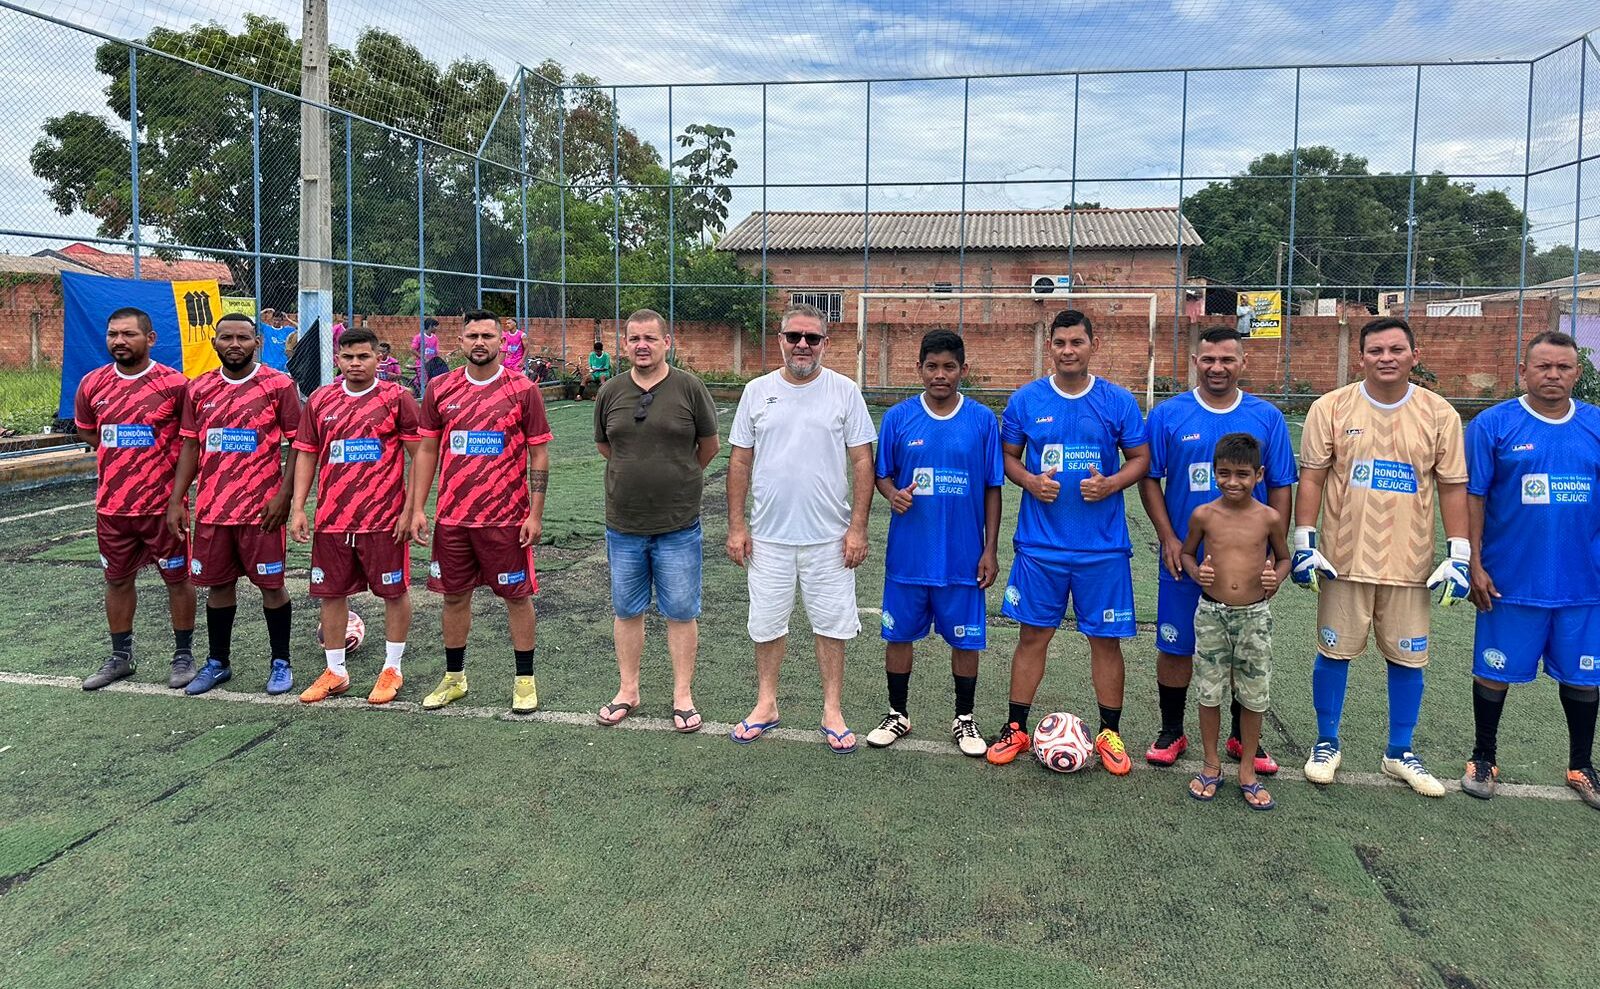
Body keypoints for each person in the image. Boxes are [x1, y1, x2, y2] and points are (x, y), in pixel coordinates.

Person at [1293, 316, 1469, 797]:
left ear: (1415, 355)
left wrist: (1460, 554)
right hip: (1342, 559)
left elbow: (1454, 487)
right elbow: (1311, 477)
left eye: (1395, 349)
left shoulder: (1440, 414)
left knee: (1408, 659)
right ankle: (1326, 742)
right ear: (1361, 357)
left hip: (1411, 565)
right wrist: (1304, 541)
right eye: (1376, 351)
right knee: (1334, 651)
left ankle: (1399, 751)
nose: (1385, 358)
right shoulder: (1330, 407)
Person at [986, 309, 1150, 774]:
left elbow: (1140, 458)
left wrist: (1112, 483)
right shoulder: (1025, 400)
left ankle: (1110, 734)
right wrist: (1031, 482)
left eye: (1076, 342)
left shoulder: (1116, 401)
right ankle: (1016, 728)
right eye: (1060, 343)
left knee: (1105, 641)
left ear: (1092, 345)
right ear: (1050, 347)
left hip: (1103, 548)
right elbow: (1007, 457)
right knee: (1032, 636)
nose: (1068, 351)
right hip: (1041, 546)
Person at [1138, 326, 1296, 773]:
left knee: (1241, 651)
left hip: (1245, 565)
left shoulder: (1267, 418)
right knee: (1176, 645)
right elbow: (1150, 478)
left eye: (1227, 359)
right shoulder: (1170, 415)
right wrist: (1169, 537)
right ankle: (1172, 730)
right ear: (1195, 362)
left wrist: (1272, 552)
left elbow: (1282, 486)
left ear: (1242, 363)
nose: (1217, 368)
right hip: (1184, 558)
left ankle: (1239, 739)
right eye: (1208, 359)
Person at [726, 303, 876, 753]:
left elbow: (862, 461)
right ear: (781, 340)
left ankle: (832, 709)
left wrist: (858, 529)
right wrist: (736, 526)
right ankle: (766, 704)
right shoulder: (756, 391)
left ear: (826, 343)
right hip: (768, 538)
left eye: (812, 338)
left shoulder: (845, 391)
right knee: (767, 623)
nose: (803, 345)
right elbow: (739, 460)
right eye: (794, 337)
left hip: (830, 539)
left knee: (831, 625)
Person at [1461, 331, 1600, 809]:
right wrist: (1474, 563)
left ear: (1577, 373)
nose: (1553, 375)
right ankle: (1483, 757)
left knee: (1584, 677)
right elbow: (1473, 496)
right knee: (1493, 671)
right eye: (1543, 367)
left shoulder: (1596, 424)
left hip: (1584, 582)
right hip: (1509, 581)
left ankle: (1581, 765)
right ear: (1524, 371)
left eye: (1563, 367)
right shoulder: (1492, 425)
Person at [405, 310, 552, 713]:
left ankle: (524, 681)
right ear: (461, 341)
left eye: (488, 335)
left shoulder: (523, 390)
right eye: (472, 335)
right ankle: (455, 679)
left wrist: (535, 514)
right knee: (453, 598)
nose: (480, 342)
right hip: (453, 519)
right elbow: (428, 450)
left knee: (517, 598)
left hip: (506, 518)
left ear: (502, 341)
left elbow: (538, 454)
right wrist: (416, 508)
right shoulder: (440, 388)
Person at [866, 329, 1002, 757]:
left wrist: (990, 549)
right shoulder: (899, 418)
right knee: (899, 636)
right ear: (919, 368)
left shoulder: (981, 420)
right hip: (909, 556)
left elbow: (993, 487)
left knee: (965, 640)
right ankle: (897, 713)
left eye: (949, 367)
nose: (940, 375)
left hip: (963, 556)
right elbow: (881, 474)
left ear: (964, 369)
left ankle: (964, 719)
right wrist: (892, 494)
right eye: (932, 367)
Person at [593, 309, 720, 732]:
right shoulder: (610, 391)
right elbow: (606, 446)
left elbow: (709, 445)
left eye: (650, 338)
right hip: (624, 525)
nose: (641, 345)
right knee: (627, 610)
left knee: (681, 611)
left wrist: (676, 478)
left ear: (668, 342)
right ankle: (628, 690)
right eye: (634, 339)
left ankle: (682, 695)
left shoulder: (690, 388)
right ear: (624, 344)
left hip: (678, 524)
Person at [165, 313, 301, 696]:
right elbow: (191, 444)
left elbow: (300, 445)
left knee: (272, 586)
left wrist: (284, 496)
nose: (235, 344)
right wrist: (178, 499)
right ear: (214, 342)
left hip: (262, 512)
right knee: (218, 587)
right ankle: (218, 663)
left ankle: (280, 662)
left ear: (256, 342)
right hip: (212, 509)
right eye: (227, 338)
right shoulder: (199, 388)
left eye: (243, 337)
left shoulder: (278, 385)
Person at [289, 327, 422, 706]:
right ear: (338, 359)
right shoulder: (321, 399)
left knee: (394, 592)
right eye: (348, 358)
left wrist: (411, 509)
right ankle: (336, 671)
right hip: (332, 519)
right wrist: (300, 506)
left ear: (379, 358)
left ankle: (392, 667)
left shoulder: (397, 398)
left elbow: (420, 457)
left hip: (383, 519)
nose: (355, 364)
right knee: (331, 594)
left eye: (363, 357)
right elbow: (307, 453)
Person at [75, 307, 198, 690]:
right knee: (116, 581)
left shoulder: (175, 385)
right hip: (113, 509)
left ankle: (183, 656)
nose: (119, 341)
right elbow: (92, 436)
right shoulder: (92, 384)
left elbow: (190, 444)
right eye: (113, 334)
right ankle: (120, 657)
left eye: (128, 334)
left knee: (178, 580)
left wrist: (176, 497)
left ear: (150, 339)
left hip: (163, 508)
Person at [1179, 433, 1291, 810]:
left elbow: (1284, 558)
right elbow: (1186, 553)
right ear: (1213, 473)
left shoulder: (1269, 518)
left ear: (1258, 475)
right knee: (1209, 691)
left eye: (1242, 474)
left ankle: (1247, 769)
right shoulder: (1204, 515)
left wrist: (1277, 577)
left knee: (1254, 694)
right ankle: (1210, 764)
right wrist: (1197, 573)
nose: (1232, 482)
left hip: (1254, 617)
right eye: (1223, 473)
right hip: (1211, 614)